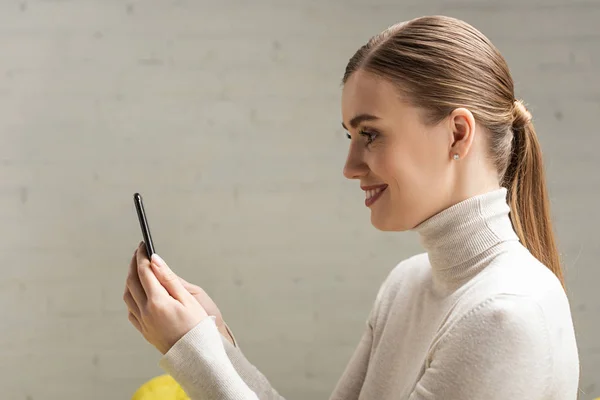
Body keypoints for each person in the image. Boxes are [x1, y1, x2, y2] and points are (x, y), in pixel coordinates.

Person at [123, 15, 581, 400]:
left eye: (371, 134)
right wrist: (214, 340)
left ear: (458, 133)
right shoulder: (407, 284)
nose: (350, 166)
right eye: (350, 135)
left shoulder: (504, 315)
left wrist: (192, 348)